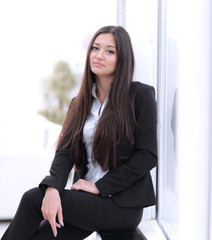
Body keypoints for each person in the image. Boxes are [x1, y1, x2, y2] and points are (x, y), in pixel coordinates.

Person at [1, 25, 157, 240]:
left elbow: (147, 155)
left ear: (123, 59)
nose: (99, 55)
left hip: (120, 205)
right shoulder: (79, 103)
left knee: (32, 199)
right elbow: (65, 152)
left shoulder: (140, 95)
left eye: (110, 51)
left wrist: (99, 186)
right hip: (85, 202)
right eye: (95, 48)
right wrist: (53, 187)